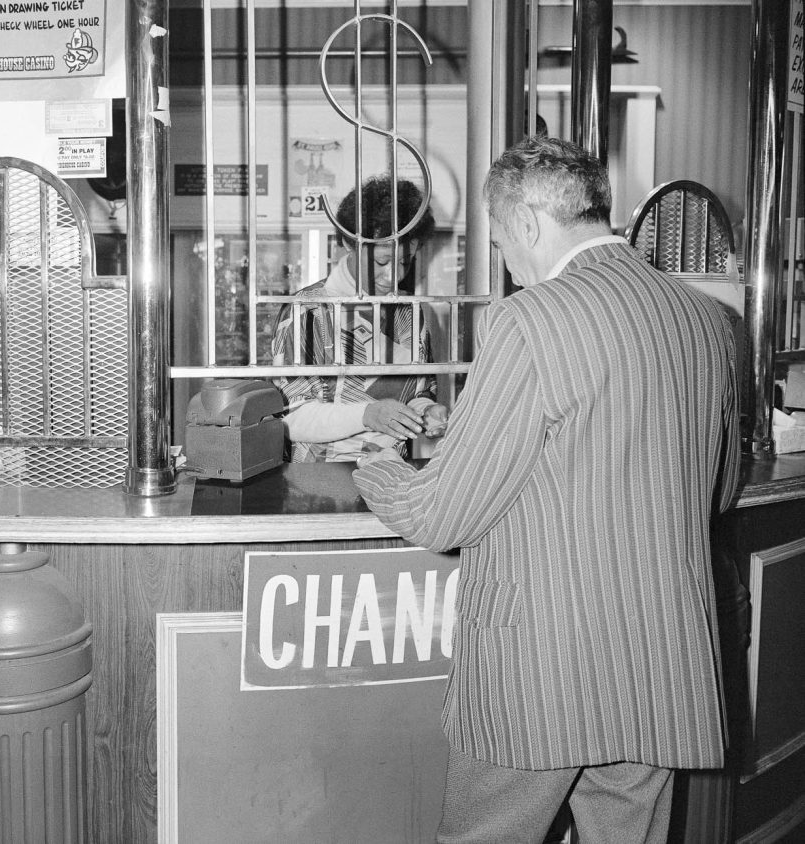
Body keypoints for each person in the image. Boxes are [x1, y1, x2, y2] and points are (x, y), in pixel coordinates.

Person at [352, 137, 741, 844]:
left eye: (501, 242)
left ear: (528, 224)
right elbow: (719, 491)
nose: (506, 262)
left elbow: (437, 514)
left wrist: (375, 463)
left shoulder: (528, 319)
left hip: (540, 668)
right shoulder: (707, 320)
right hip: (660, 663)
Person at [271, 176, 448, 462]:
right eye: (382, 261)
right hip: (318, 477)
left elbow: (420, 390)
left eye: (405, 261)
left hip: (390, 471)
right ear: (348, 243)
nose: (393, 275)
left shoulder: (410, 311)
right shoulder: (308, 311)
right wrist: (367, 414)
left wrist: (426, 411)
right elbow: (290, 416)